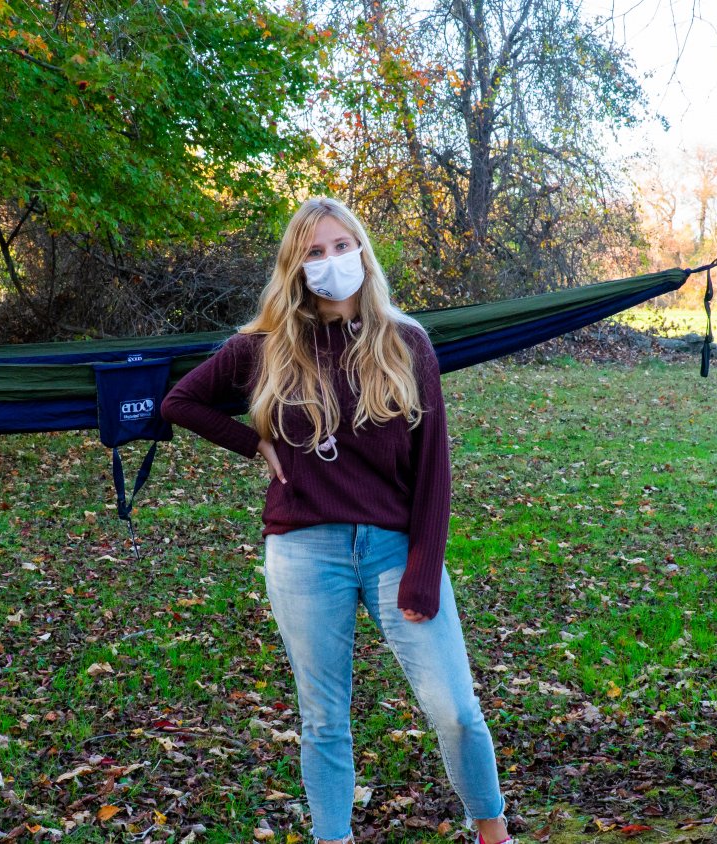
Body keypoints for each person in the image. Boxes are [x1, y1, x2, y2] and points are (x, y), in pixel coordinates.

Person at [161, 197, 514, 844]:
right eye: (314, 253)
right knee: (325, 717)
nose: (331, 263)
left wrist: (422, 572)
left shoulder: (408, 343)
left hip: (393, 547)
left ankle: (492, 830)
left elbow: (434, 472)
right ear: (295, 268)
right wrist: (252, 444)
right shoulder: (264, 349)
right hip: (303, 550)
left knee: (456, 710)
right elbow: (180, 402)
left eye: (342, 246)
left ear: (363, 252)